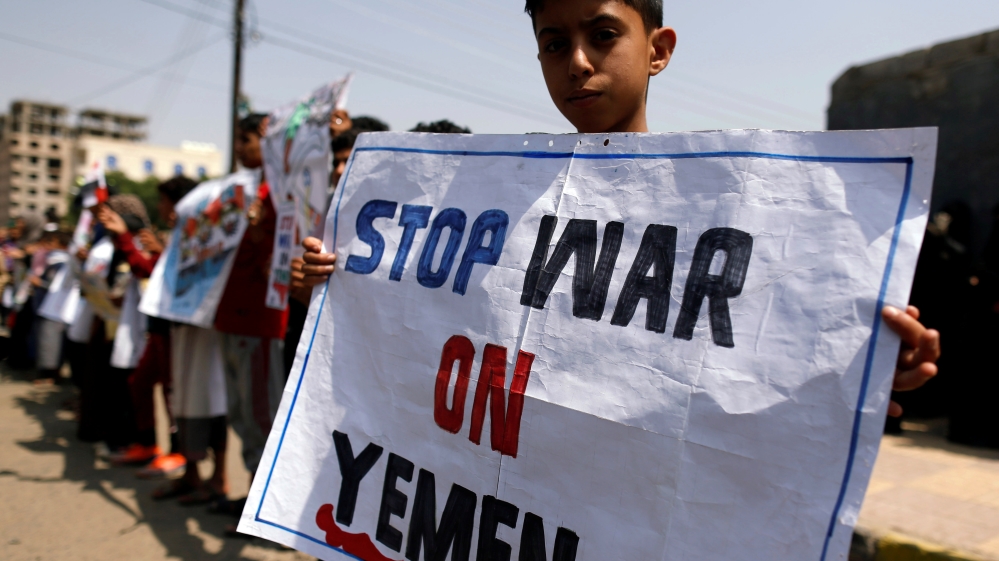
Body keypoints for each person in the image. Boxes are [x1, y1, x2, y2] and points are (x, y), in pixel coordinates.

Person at [298, 0, 941, 417]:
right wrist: (339, 284)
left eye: (603, 35)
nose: (577, 63)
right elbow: (428, 323)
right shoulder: (501, 200)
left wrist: (859, 366)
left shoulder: (733, 209)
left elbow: (755, 358)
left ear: (658, 48)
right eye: (553, 44)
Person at [208, 113, 288, 522]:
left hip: (257, 321)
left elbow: (276, 265)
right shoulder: (238, 191)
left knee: (259, 414)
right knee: (241, 413)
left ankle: (264, 509)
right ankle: (256, 500)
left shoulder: (280, 191)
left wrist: (257, 232)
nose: (239, 148)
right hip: (232, 318)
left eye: (246, 140)